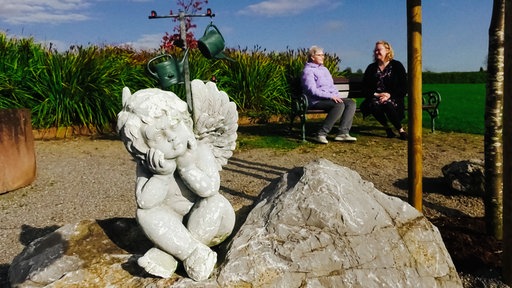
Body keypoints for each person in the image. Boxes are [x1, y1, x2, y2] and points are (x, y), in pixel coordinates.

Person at [301, 45, 357, 144]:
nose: (323, 57)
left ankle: (343, 133)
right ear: (312, 57)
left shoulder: (325, 70)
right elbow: (312, 90)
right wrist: (331, 96)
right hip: (316, 100)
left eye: (323, 55)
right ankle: (321, 134)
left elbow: (331, 86)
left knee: (350, 103)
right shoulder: (308, 71)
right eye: (320, 55)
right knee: (338, 105)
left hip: (329, 99)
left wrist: (336, 95)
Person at [361, 40, 408, 140]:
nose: (377, 52)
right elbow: (364, 87)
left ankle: (400, 130)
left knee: (386, 103)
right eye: (375, 50)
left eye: (379, 50)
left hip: (393, 97)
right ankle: (387, 129)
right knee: (373, 104)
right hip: (375, 97)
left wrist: (388, 95)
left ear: (387, 50)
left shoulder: (397, 66)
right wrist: (377, 95)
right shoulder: (371, 68)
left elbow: (403, 86)